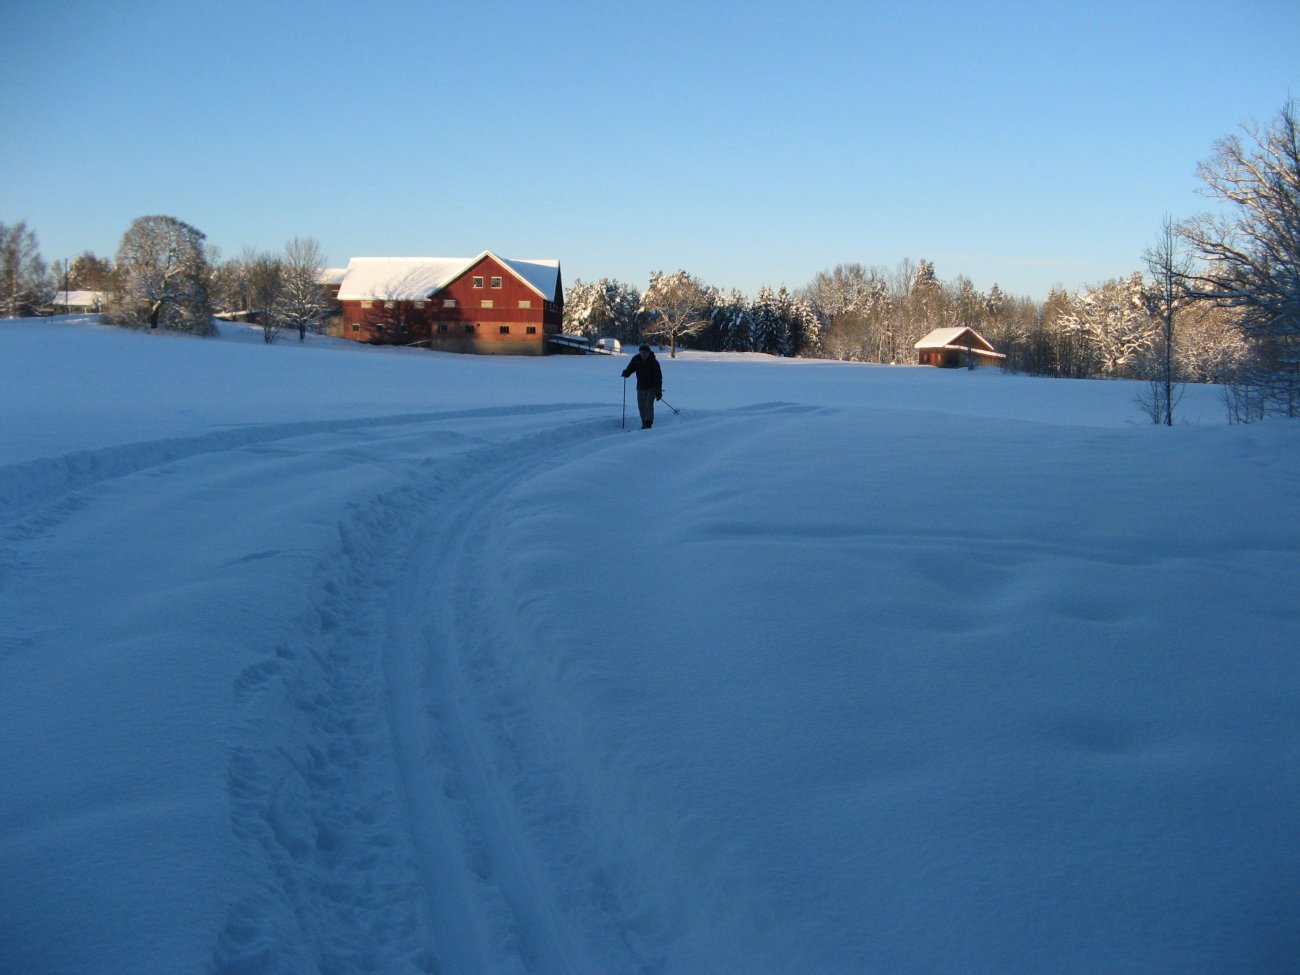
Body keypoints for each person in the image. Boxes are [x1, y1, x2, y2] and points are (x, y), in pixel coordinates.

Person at [621, 344, 663, 429]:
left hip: (652, 387)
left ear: (648, 353)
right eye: (642, 352)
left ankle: (648, 423)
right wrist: (626, 373)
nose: (643, 354)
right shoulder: (636, 359)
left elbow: (658, 377)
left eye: (645, 353)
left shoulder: (654, 362)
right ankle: (644, 422)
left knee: (648, 405)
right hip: (640, 386)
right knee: (641, 405)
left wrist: (658, 390)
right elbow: (630, 368)